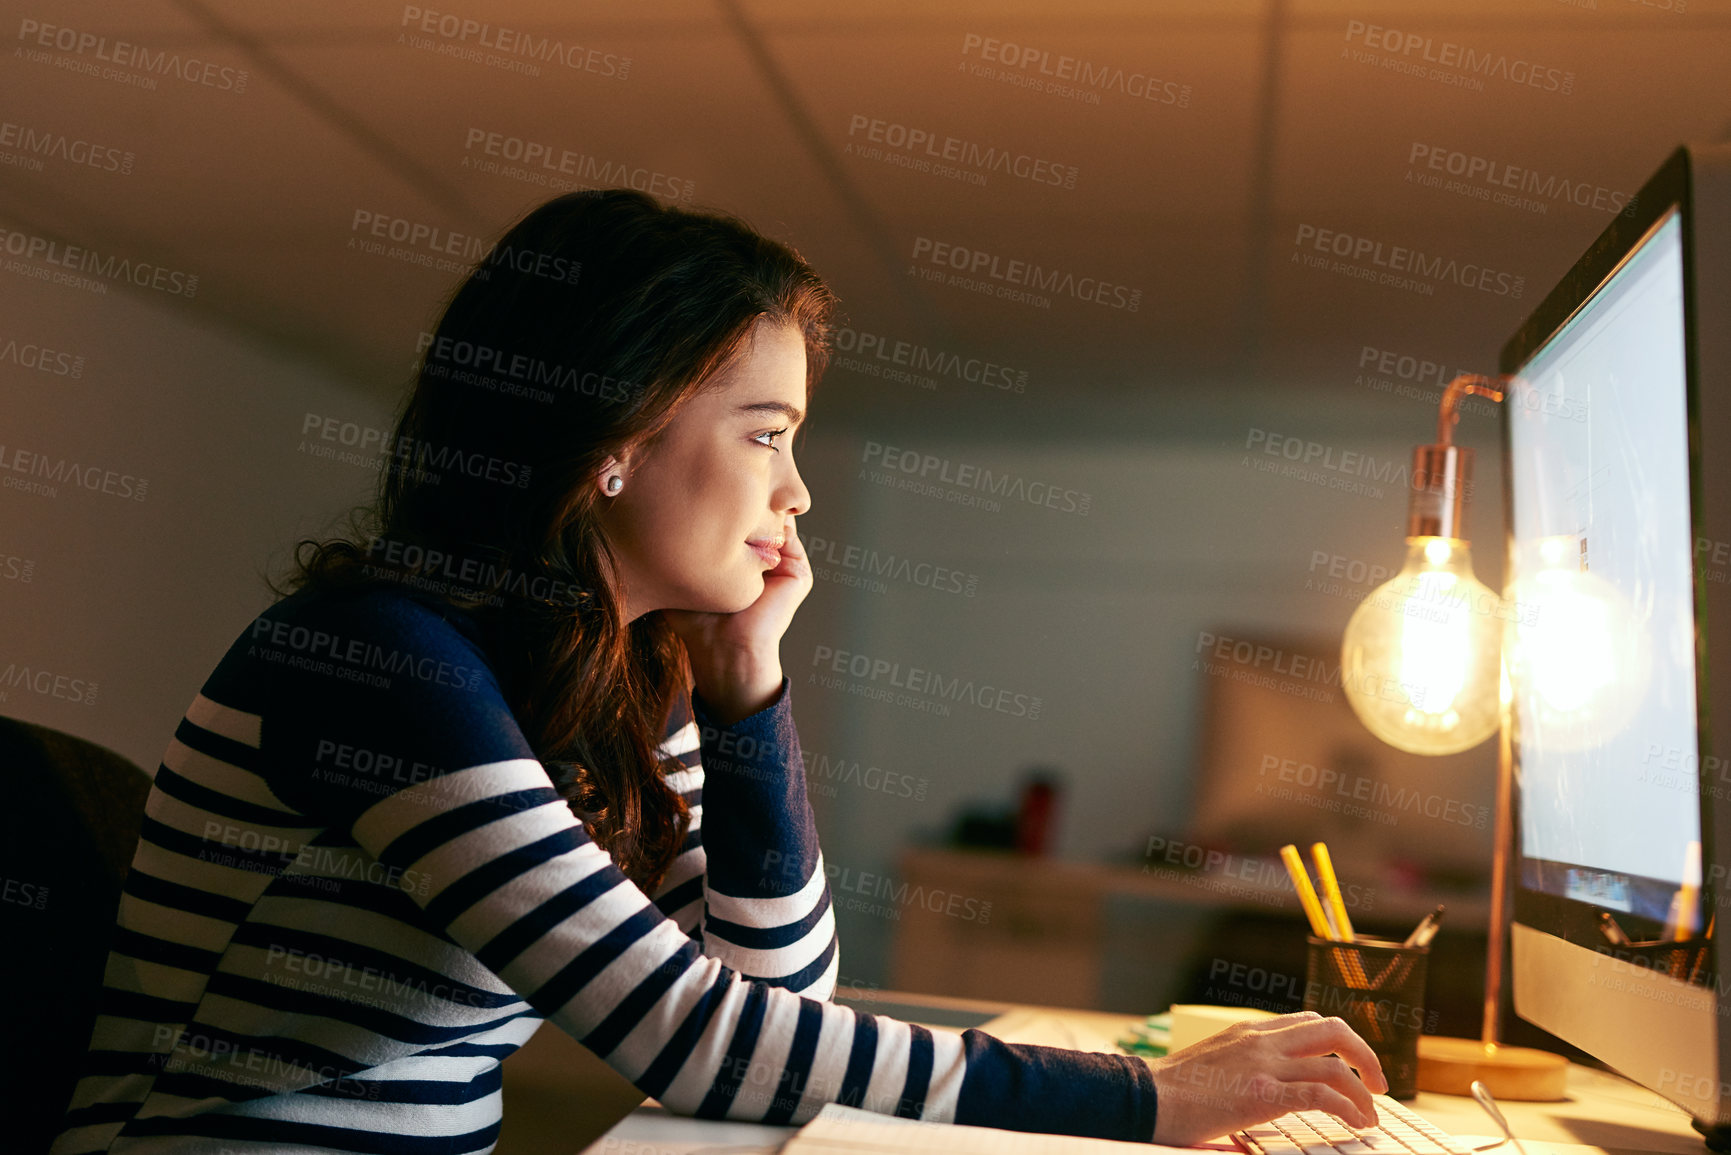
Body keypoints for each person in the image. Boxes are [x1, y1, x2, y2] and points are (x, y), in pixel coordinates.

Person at [49, 188, 1386, 1154]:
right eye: (766, 434)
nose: (799, 490)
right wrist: (1142, 1097)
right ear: (616, 435)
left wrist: (749, 683)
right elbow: (690, 1037)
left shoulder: (626, 683)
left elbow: (772, 1011)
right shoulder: (382, 665)